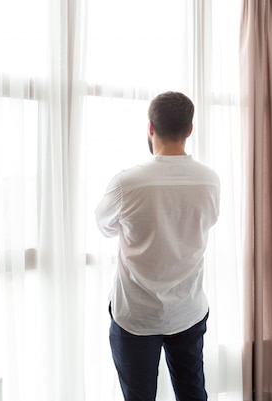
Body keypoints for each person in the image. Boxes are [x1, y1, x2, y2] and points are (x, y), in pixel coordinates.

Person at [94, 91, 220, 401]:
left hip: (136, 315)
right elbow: (207, 222)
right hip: (187, 311)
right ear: (190, 129)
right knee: (193, 394)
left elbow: (104, 227)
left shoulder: (127, 183)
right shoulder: (210, 180)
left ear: (150, 128)